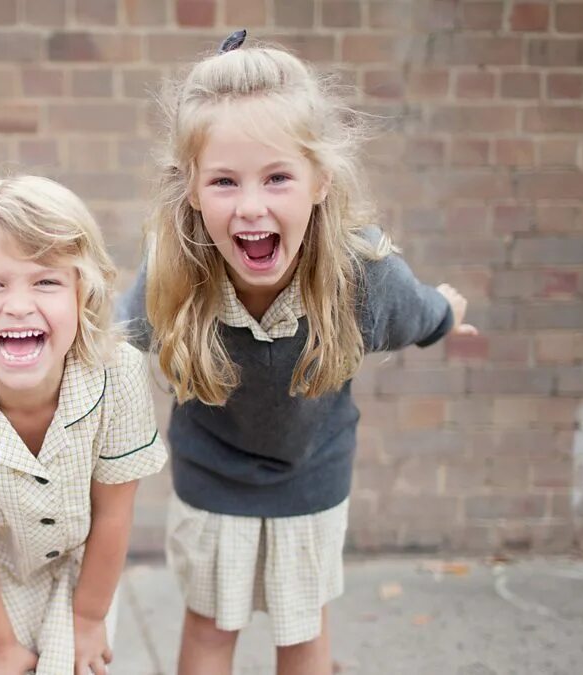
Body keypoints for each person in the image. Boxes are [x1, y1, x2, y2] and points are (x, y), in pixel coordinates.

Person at [118, 31, 478, 675]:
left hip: (312, 476)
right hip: (211, 477)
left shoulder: (363, 277)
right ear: (192, 192)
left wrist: (450, 312)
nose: (251, 206)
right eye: (224, 181)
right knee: (209, 626)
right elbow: (112, 337)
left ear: (320, 181)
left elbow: (421, 313)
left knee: (303, 629)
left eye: (277, 177)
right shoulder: (174, 274)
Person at [0, 176, 167, 674]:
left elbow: (113, 514)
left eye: (46, 281)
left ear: (82, 293)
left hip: (82, 564)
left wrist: (89, 618)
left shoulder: (119, 374)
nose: (19, 305)